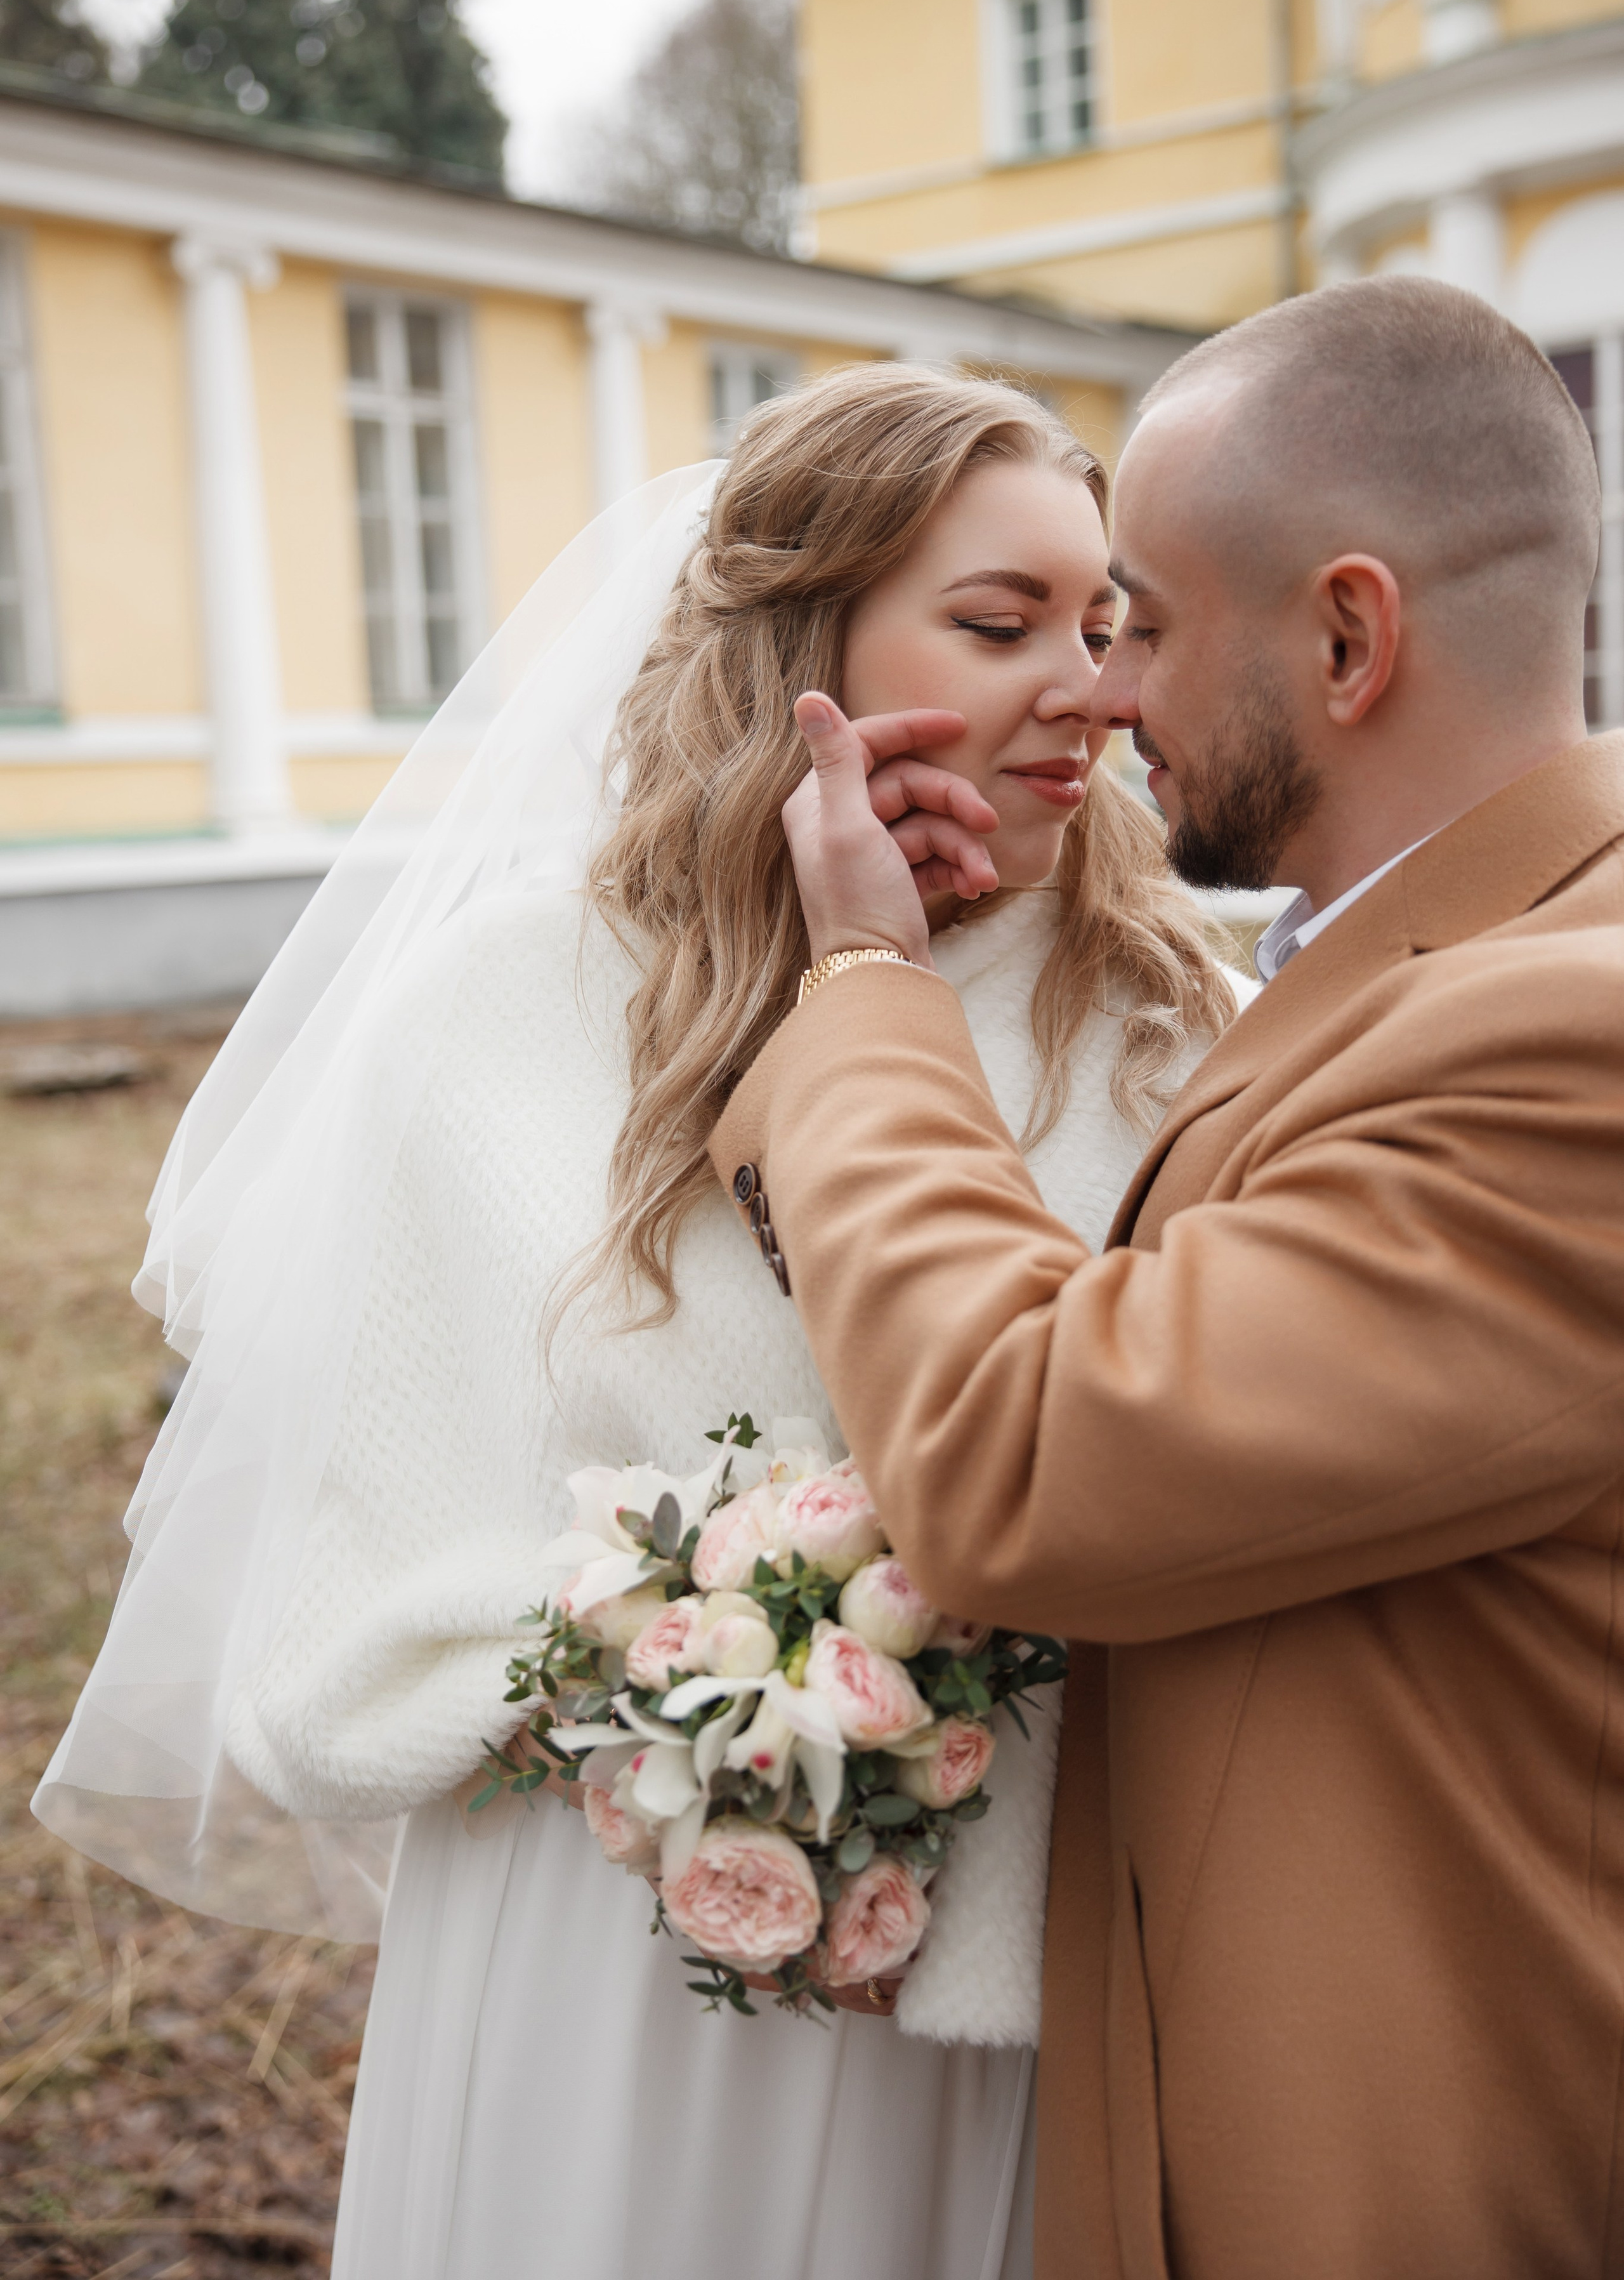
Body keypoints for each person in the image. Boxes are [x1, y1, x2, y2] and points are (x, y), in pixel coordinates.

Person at [37, 364, 1242, 2280]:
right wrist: (685, 1661)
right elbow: (373, 1554)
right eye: (1000, 623)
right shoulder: (503, 1009)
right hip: (602, 1948)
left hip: (1012, 1973)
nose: (1083, 688)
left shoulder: (1178, 1025)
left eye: (1104, 627)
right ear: (805, 645)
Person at [704, 277, 1624, 2279]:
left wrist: (863, 985)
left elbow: (1027, 1456)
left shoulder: (1576, 1038)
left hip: (1418, 2160)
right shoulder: (1409, 950)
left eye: (1141, 622)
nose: (1103, 697)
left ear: (1350, 638)